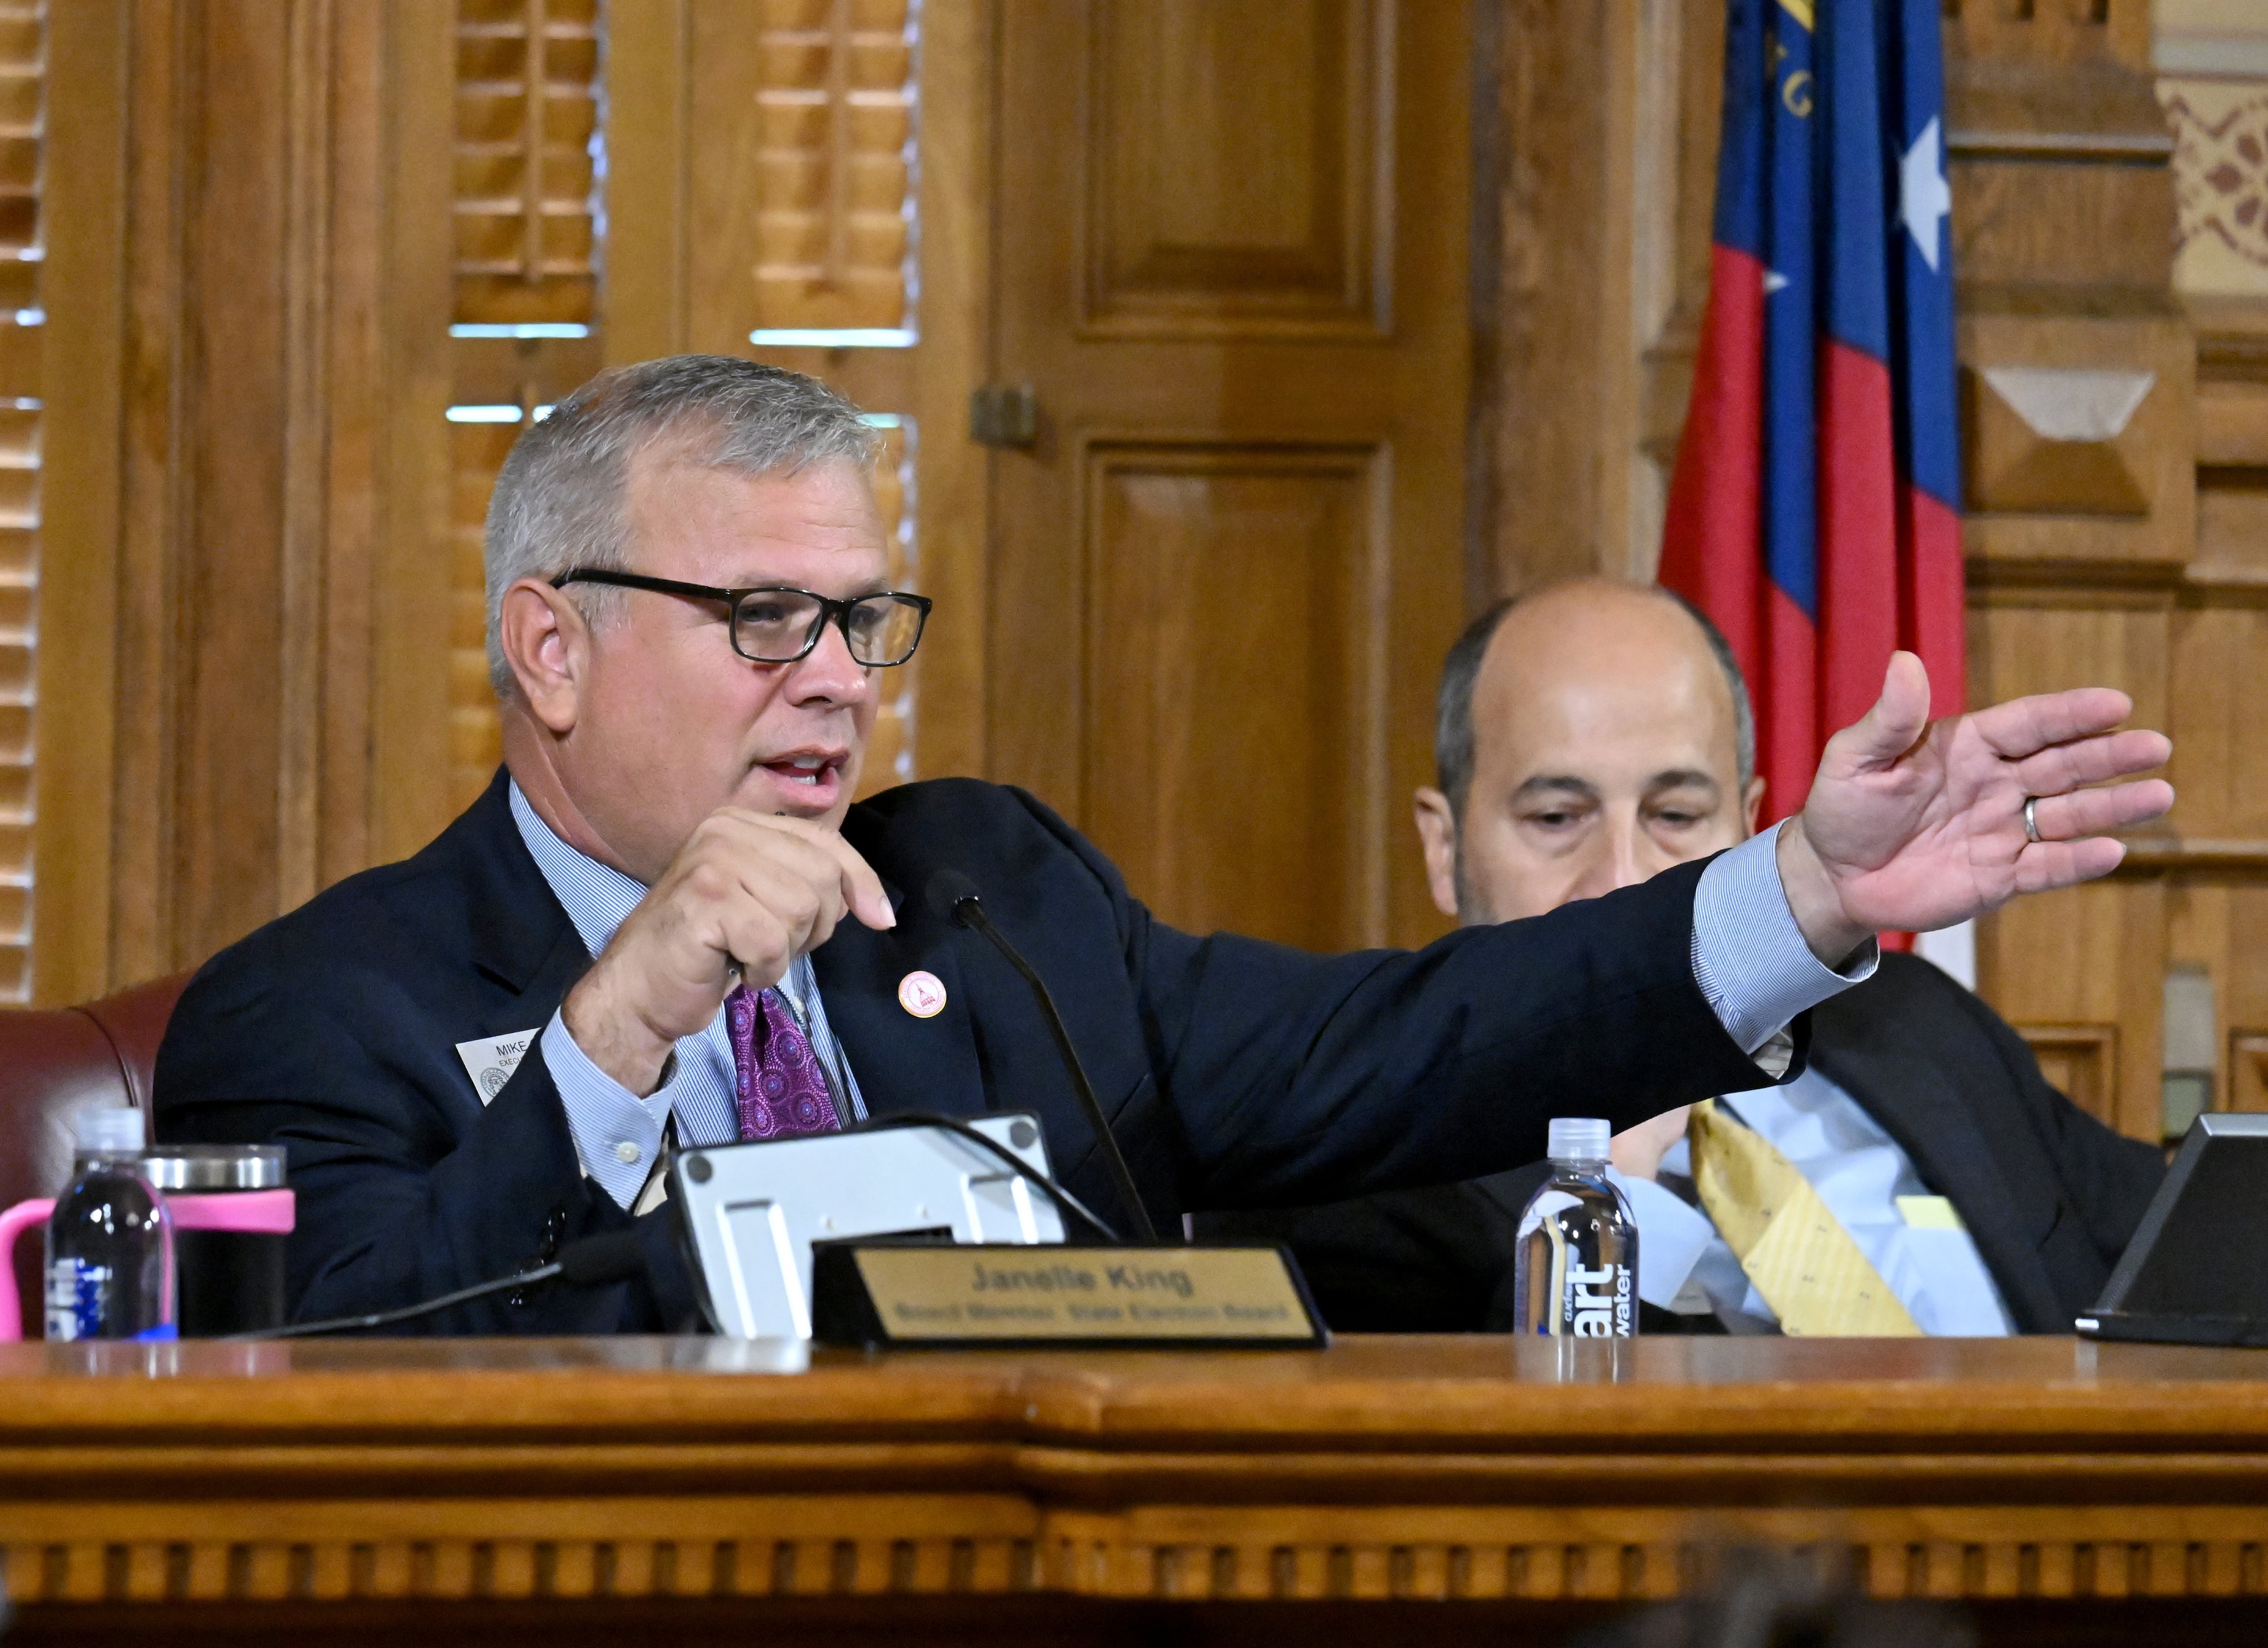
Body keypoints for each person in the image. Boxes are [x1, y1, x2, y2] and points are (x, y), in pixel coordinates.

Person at [152, 358, 2173, 1333]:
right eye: (765, 620)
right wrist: (610, 1039)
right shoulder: (322, 1008)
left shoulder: (982, 897)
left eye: (863, 621)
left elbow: (1427, 1040)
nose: (839, 682)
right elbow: (308, 1367)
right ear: (551, 648)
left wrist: (1806, 891)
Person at [1202, 580, 2166, 1336]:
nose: (1623, 875)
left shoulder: (1910, 1021)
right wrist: (1609, 1195)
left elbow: (2186, 1246)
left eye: (1674, 816)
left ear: (1750, 825)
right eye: (1555, 817)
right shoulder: (1366, 1137)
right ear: (1445, 847)